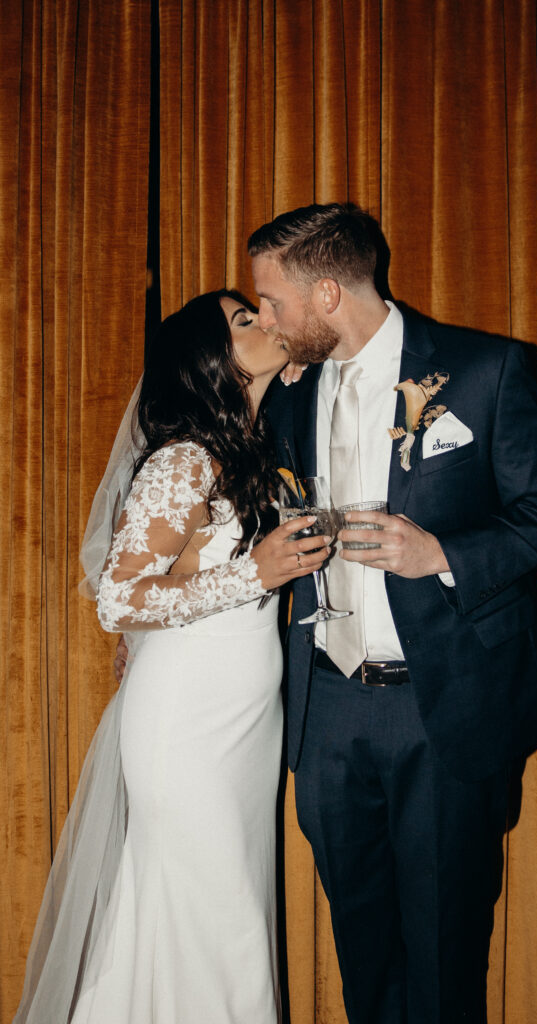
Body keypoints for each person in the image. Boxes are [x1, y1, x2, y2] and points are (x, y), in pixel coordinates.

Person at [248, 203, 537, 1023]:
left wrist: (439, 555)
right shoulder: (287, 394)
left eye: (273, 302)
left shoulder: (485, 369)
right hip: (324, 708)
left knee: (443, 946)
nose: (264, 319)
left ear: (326, 294)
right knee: (361, 945)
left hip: (445, 706)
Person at [13, 290, 330, 1024]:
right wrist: (258, 572)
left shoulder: (245, 452)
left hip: (242, 722)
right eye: (243, 321)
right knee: (211, 916)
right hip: (187, 726)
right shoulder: (184, 460)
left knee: (219, 909)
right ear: (209, 358)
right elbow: (118, 600)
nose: (264, 323)